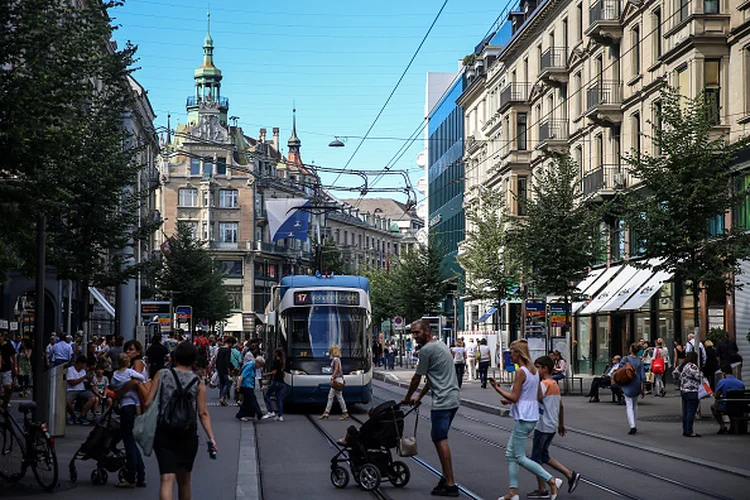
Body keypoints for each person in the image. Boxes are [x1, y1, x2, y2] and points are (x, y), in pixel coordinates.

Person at [489, 341, 563, 500]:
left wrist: (497, 388)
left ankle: (551, 480)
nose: (510, 356)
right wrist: (522, 399)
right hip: (531, 416)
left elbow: (514, 397)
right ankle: (513, 492)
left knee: (520, 457)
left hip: (524, 417)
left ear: (518, 354)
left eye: (511, 353)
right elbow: (538, 396)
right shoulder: (534, 371)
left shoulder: (521, 372)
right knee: (510, 454)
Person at [144, 341, 217, 500]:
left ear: (174, 357)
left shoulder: (162, 374)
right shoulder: (198, 382)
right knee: (184, 481)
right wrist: (211, 438)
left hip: (164, 431)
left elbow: (148, 402)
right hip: (188, 433)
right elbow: (203, 413)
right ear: (193, 360)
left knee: (166, 479)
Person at [401, 319, 460, 497]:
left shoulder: (426, 350)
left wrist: (407, 397)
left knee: (439, 438)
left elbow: (417, 378)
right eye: (413, 333)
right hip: (453, 398)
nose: (414, 336)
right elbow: (433, 376)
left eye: (417, 332)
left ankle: (450, 483)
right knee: (440, 437)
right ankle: (445, 477)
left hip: (442, 401)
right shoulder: (440, 344)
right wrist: (419, 397)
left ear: (427, 331)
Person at [527, 356, 581, 498]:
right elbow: (561, 406)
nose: (535, 370)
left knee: (535, 459)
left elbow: (534, 399)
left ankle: (543, 489)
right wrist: (561, 424)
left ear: (544, 369)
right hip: (552, 425)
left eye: (537, 367)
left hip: (542, 426)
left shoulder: (544, 384)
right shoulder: (554, 384)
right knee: (544, 456)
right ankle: (570, 475)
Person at [111, 353, 146, 487]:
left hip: (125, 407)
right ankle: (140, 474)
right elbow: (142, 378)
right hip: (133, 406)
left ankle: (131, 476)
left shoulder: (115, 374)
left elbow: (113, 386)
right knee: (131, 440)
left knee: (128, 441)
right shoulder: (131, 372)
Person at [672, 352, 702, 437]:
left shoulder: (682, 365)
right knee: (691, 412)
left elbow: (674, 373)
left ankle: (685, 429)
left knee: (685, 412)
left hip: (683, 390)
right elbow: (698, 377)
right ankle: (689, 431)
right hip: (692, 391)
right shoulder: (693, 366)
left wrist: (678, 381)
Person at [619, 343, 646, 435]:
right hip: (636, 383)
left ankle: (632, 425)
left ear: (631, 349)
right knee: (635, 405)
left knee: (629, 405)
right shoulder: (639, 361)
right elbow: (643, 376)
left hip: (627, 383)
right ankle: (634, 423)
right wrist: (643, 388)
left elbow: (619, 369)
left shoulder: (625, 359)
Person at [712, 364, 746, 434]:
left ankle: (722, 426)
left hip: (727, 406)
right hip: (739, 406)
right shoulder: (740, 383)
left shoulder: (722, 382)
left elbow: (716, 395)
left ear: (724, 373)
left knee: (713, 407)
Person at [65, 355, 97, 425]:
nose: (84, 366)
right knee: (66, 400)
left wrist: (89, 379)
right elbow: (72, 383)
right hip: (72, 390)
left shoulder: (83, 371)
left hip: (82, 390)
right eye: (84, 364)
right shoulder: (70, 370)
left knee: (92, 398)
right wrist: (84, 377)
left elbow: (84, 382)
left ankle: (82, 415)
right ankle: (73, 415)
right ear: (79, 363)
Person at [320, 344, 349, 420]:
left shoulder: (335, 359)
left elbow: (336, 369)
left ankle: (344, 412)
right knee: (335, 396)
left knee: (335, 397)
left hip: (336, 380)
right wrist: (343, 379)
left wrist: (332, 378)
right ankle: (327, 412)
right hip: (339, 379)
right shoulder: (338, 359)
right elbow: (341, 370)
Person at [236, 352, 265, 421]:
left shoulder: (252, 365)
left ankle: (243, 414)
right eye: (260, 365)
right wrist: (238, 385)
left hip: (249, 385)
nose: (259, 367)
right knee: (252, 400)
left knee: (247, 401)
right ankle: (259, 414)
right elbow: (242, 376)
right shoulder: (250, 366)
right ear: (257, 363)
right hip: (246, 386)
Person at [263, 348, 288, 422]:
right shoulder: (282, 361)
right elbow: (283, 373)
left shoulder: (276, 361)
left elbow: (274, 372)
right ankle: (280, 416)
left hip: (276, 382)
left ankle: (271, 411)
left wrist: (265, 374)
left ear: (277, 353)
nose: (273, 354)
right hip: (281, 382)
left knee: (267, 395)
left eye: (274, 353)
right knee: (279, 398)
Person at [213, 337, 233, 406]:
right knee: (228, 383)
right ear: (230, 343)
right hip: (225, 368)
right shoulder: (228, 350)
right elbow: (227, 361)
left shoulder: (220, 349)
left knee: (221, 383)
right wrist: (228, 369)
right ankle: (222, 397)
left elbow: (217, 359)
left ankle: (221, 397)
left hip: (219, 367)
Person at [0, 332, 17, 408]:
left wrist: (15, 367)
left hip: (6, 368)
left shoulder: (8, 345)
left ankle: (6, 401)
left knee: (7, 386)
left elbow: (14, 355)